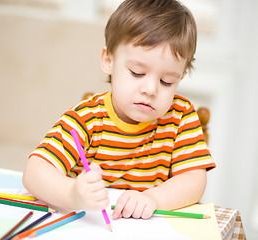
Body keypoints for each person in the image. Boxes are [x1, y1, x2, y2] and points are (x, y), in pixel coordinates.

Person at [23, 0, 216, 220]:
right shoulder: (87, 118)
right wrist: (72, 194)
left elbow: (194, 179)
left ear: (180, 78)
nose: (151, 89)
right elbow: (35, 172)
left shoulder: (180, 115)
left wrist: (154, 198)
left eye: (166, 81)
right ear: (108, 61)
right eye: (136, 73)